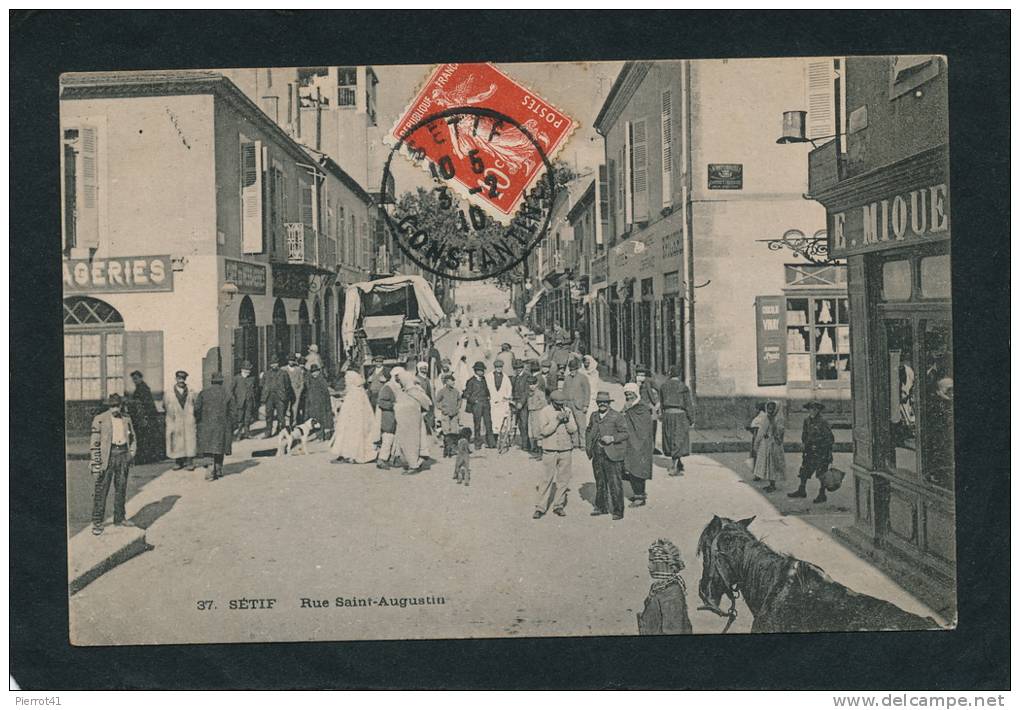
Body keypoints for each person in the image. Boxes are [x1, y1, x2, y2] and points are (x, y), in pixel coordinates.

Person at [89, 393, 138, 536]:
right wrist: (96, 461)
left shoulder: (126, 419)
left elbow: (133, 437)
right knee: (101, 489)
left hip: (123, 455)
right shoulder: (100, 419)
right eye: (112, 406)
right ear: (108, 406)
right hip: (107, 458)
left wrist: (131, 453)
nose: (114, 409)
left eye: (117, 406)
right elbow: (95, 443)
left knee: (121, 487)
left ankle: (119, 518)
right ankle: (97, 522)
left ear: (121, 405)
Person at [585, 391, 629, 520]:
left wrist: (612, 438)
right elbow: (588, 430)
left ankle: (618, 511)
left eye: (605, 402)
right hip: (597, 454)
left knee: (615, 483)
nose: (602, 404)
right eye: (600, 402)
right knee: (600, 481)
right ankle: (601, 507)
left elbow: (625, 433)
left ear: (609, 403)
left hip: (612, 454)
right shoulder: (594, 416)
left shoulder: (617, 416)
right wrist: (589, 445)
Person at [534, 390, 578, 519]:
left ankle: (558, 505)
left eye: (562, 403)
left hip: (565, 449)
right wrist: (556, 421)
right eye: (558, 404)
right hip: (550, 449)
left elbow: (573, 429)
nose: (561, 406)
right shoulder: (545, 411)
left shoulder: (568, 410)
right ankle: (540, 507)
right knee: (546, 479)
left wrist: (568, 420)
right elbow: (544, 431)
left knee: (563, 479)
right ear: (552, 402)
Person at [637, 539, 693, 635]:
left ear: (663, 563)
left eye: (652, 561)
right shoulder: (660, 588)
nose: (649, 566)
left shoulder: (671, 593)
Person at [789, 401, 834, 502]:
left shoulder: (823, 422)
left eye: (815, 409)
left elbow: (830, 439)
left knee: (821, 473)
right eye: (811, 409)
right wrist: (806, 445)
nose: (812, 411)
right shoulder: (807, 421)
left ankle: (822, 494)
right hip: (809, 450)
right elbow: (804, 435)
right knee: (804, 470)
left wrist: (821, 447)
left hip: (821, 452)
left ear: (818, 410)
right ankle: (802, 490)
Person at [329, 370, 377, 464]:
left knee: (354, 436)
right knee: (346, 436)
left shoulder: (356, 393)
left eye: (347, 380)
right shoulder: (355, 392)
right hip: (349, 422)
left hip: (354, 423)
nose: (346, 382)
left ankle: (353, 455)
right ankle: (345, 454)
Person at [195, 372, 234, 481]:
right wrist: (231, 424)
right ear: (221, 381)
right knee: (219, 446)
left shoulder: (203, 393)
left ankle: (210, 471)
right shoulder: (227, 394)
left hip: (206, 425)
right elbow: (233, 411)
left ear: (211, 381)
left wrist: (199, 421)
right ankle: (218, 469)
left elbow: (197, 409)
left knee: (208, 447)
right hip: (222, 425)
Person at [392, 368, 433, 473]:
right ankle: (412, 462)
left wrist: (422, 412)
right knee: (406, 442)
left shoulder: (413, 390)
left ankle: (414, 465)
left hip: (412, 422)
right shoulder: (404, 390)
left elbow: (427, 403)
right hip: (404, 422)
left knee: (412, 442)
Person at [622, 382, 655, 508]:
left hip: (641, 443)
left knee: (638, 469)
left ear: (636, 394)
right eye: (626, 394)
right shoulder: (628, 406)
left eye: (630, 394)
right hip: (631, 441)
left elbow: (643, 427)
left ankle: (640, 496)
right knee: (631, 468)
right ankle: (637, 494)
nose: (628, 397)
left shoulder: (642, 408)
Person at [659, 366, 694, 476]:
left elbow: (661, 402)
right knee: (679, 439)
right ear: (679, 374)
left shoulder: (664, 386)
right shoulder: (683, 387)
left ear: (670, 374)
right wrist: (691, 418)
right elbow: (688, 404)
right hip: (680, 415)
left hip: (667, 415)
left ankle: (679, 464)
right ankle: (674, 467)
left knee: (670, 438)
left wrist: (662, 416)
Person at [165, 369, 197, 470]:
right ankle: (178, 462)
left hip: (188, 419)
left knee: (189, 440)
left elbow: (196, 405)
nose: (181, 381)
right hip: (175, 419)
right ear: (176, 379)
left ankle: (190, 462)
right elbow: (165, 405)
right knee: (177, 441)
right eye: (179, 379)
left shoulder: (192, 392)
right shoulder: (169, 393)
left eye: (183, 379)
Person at [128, 370, 163, 463]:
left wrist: (143, 417)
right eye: (133, 379)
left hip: (145, 417)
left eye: (136, 379)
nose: (134, 381)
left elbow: (144, 404)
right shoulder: (141, 388)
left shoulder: (142, 389)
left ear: (140, 378)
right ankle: (147, 458)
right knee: (146, 438)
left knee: (145, 438)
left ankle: (145, 459)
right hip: (145, 416)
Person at [752, 400, 786, 492]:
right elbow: (762, 430)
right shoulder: (765, 418)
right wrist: (757, 442)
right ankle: (770, 483)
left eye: (772, 409)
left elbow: (779, 433)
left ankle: (773, 484)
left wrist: (773, 422)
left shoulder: (779, 419)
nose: (770, 411)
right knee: (767, 463)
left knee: (773, 464)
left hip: (774, 445)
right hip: (766, 444)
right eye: (769, 408)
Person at [463, 361, 496, 448]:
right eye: (480, 370)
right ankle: (477, 443)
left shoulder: (484, 379)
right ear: (476, 371)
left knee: (488, 423)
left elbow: (486, 390)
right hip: (477, 405)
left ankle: (491, 443)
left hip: (485, 403)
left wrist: (488, 397)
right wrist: (475, 401)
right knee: (477, 424)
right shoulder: (470, 381)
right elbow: (466, 394)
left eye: (483, 370)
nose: (482, 372)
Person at [261, 358, 294, 438]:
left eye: (275, 363)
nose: (274, 365)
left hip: (280, 397)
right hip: (269, 397)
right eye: (272, 364)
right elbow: (262, 384)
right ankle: (268, 432)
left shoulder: (283, 373)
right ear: (270, 365)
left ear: (278, 364)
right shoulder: (266, 374)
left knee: (281, 415)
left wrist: (284, 395)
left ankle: (282, 432)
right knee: (269, 415)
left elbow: (288, 385)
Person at [562, 358, 591, 449]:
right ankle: (575, 443)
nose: (572, 371)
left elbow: (587, 392)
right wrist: (564, 404)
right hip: (569, 404)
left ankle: (583, 444)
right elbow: (564, 390)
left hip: (579, 405)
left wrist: (586, 405)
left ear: (577, 369)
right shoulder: (567, 378)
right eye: (570, 369)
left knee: (581, 425)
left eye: (573, 369)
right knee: (572, 425)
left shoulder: (583, 378)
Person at [375, 370, 399, 469]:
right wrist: (393, 405)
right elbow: (381, 402)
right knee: (387, 439)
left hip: (395, 416)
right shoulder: (387, 387)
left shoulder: (397, 387)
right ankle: (382, 459)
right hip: (388, 416)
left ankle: (391, 459)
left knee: (394, 439)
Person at [304, 363, 334, 439]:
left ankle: (326, 436)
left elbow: (326, 393)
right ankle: (319, 436)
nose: (314, 374)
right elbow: (309, 392)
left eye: (315, 372)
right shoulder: (310, 381)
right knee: (316, 420)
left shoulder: (322, 380)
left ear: (318, 372)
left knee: (325, 420)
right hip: (314, 403)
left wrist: (326, 403)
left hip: (322, 403)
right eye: (312, 372)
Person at [435, 373, 461, 458]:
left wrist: (457, 408)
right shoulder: (442, 391)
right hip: (445, 414)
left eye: (454, 380)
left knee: (454, 432)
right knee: (446, 432)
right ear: (446, 382)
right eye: (451, 381)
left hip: (454, 414)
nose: (453, 382)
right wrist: (442, 409)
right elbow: (437, 402)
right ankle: (446, 449)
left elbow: (459, 400)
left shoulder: (456, 391)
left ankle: (453, 449)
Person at [636, 366, 661, 454]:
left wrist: (658, 402)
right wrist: (637, 387)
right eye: (639, 375)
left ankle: (652, 447)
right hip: (638, 408)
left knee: (653, 426)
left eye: (643, 375)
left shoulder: (649, 381)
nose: (641, 377)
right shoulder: (633, 383)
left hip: (651, 406)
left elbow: (659, 390)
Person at [231, 361, 258, 441]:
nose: (249, 371)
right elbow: (230, 390)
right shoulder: (236, 378)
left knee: (248, 418)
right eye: (247, 370)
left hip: (249, 402)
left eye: (249, 370)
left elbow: (256, 389)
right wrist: (235, 400)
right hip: (240, 402)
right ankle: (239, 434)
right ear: (242, 370)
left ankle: (247, 433)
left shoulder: (252, 378)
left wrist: (253, 397)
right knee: (240, 419)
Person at [486, 358, 513, 437]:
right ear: (494, 367)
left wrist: (507, 396)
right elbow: (486, 388)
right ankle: (494, 437)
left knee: (502, 420)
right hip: (493, 402)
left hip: (502, 402)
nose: (499, 368)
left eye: (500, 367)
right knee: (494, 420)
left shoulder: (505, 377)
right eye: (497, 367)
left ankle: (503, 437)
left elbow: (509, 388)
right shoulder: (489, 376)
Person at [510, 359, 531, 451]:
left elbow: (526, 392)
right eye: (516, 368)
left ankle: (526, 445)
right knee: (519, 424)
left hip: (524, 404)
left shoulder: (527, 377)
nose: (518, 369)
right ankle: (524, 443)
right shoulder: (515, 377)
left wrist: (521, 403)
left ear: (522, 368)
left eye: (519, 368)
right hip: (515, 403)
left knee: (524, 424)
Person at [526, 375, 547, 459]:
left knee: (539, 433)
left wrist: (536, 407)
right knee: (532, 433)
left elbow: (544, 404)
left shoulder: (540, 393)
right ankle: (536, 451)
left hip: (538, 414)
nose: (531, 386)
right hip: (531, 414)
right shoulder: (529, 394)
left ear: (537, 384)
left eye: (533, 384)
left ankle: (541, 453)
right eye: (530, 384)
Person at [747, 402, 768, 479]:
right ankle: (759, 473)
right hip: (758, 437)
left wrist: (752, 429)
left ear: (759, 409)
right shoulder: (762, 416)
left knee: (757, 455)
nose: (755, 410)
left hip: (758, 438)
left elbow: (757, 428)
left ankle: (758, 474)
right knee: (759, 456)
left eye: (756, 409)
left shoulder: (761, 417)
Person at [286, 355, 306, 426]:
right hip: (287, 391)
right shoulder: (284, 369)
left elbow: (302, 381)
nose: (291, 362)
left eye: (292, 360)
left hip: (296, 391)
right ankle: (286, 424)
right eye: (290, 360)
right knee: (287, 407)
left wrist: (300, 390)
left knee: (295, 408)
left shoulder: (298, 369)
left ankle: (294, 423)